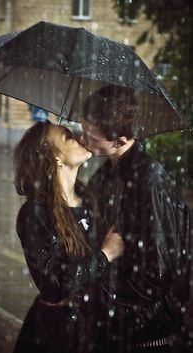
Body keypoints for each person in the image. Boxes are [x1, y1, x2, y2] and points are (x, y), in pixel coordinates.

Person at [80, 85, 191, 353]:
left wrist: (103, 295)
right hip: (116, 325)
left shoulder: (150, 181)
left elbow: (160, 271)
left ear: (120, 141)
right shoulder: (104, 176)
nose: (84, 141)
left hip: (143, 331)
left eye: (91, 137)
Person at [12, 120, 124, 353]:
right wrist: (105, 255)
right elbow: (54, 284)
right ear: (55, 157)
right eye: (67, 136)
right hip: (57, 333)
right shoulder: (36, 213)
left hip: (95, 326)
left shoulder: (90, 198)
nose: (80, 138)